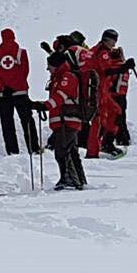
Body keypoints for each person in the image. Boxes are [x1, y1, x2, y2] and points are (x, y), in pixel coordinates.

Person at [31, 51, 86, 190]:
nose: (48, 69)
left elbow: (61, 97)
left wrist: (45, 105)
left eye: (50, 65)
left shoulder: (66, 77)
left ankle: (69, 179)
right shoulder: (59, 78)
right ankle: (79, 179)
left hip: (67, 121)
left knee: (62, 151)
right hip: (64, 121)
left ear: (57, 65)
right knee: (71, 152)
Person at [0, 28, 39, 155]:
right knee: (27, 121)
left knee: (7, 123)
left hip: (3, 95)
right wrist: (15, 86)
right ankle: (34, 148)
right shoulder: (21, 53)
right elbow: (24, 71)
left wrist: (3, 87)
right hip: (20, 93)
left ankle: (12, 150)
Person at [84, 29, 135, 158]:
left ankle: (106, 142)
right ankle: (93, 151)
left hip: (101, 89)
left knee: (116, 112)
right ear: (108, 39)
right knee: (99, 119)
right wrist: (124, 67)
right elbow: (106, 70)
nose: (115, 44)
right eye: (114, 40)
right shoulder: (102, 52)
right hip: (99, 90)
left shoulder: (97, 50)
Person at [111, 47, 132, 146]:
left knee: (116, 119)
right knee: (122, 118)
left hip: (115, 96)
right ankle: (125, 138)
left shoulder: (116, 67)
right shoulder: (125, 68)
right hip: (123, 95)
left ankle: (121, 139)